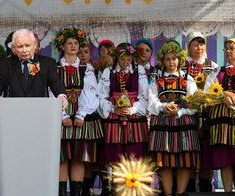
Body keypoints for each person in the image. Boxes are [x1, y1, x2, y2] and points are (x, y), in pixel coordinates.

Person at [148, 40, 200, 195]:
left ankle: (180, 193)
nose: (171, 62)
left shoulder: (188, 79)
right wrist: (164, 107)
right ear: (163, 61)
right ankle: (168, 193)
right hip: (163, 123)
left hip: (183, 122)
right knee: (165, 162)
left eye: (174, 58)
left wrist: (178, 111)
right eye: (168, 59)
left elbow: (194, 103)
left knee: (184, 162)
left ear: (179, 60)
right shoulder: (157, 80)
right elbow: (151, 103)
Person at [53, 27, 100, 196]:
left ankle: (77, 192)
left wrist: (80, 114)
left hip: (82, 112)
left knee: (79, 156)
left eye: (75, 43)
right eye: (69, 43)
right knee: (62, 156)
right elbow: (50, 92)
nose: (73, 46)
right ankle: (61, 192)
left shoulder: (86, 68)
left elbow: (91, 92)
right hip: (60, 113)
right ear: (62, 46)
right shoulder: (54, 67)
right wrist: (62, 115)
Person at [97, 43, 149, 193]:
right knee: (114, 156)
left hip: (135, 119)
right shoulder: (109, 71)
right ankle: (114, 189)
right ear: (116, 58)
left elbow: (145, 96)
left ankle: (134, 190)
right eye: (122, 60)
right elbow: (101, 95)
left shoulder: (139, 71)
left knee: (135, 156)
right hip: (115, 117)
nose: (125, 63)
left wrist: (132, 110)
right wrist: (113, 108)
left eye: (128, 59)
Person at [0, 28, 67, 109]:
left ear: (35, 45)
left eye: (27, 45)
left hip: (40, 110)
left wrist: (61, 96)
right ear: (13, 48)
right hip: (12, 110)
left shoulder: (47, 63)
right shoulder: (5, 64)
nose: (24, 50)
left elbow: (55, 82)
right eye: (20, 46)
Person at [183, 32, 218, 192]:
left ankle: (205, 185)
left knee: (206, 149)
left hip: (207, 115)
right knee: (189, 149)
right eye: (195, 44)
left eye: (201, 44)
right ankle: (189, 186)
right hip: (187, 114)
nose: (199, 48)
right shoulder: (181, 66)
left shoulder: (214, 66)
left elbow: (217, 90)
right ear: (188, 47)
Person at [203, 38, 235, 192]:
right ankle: (228, 192)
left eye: (232, 48)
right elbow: (208, 91)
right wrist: (224, 95)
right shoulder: (217, 70)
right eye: (226, 48)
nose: (228, 51)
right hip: (221, 121)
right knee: (226, 158)